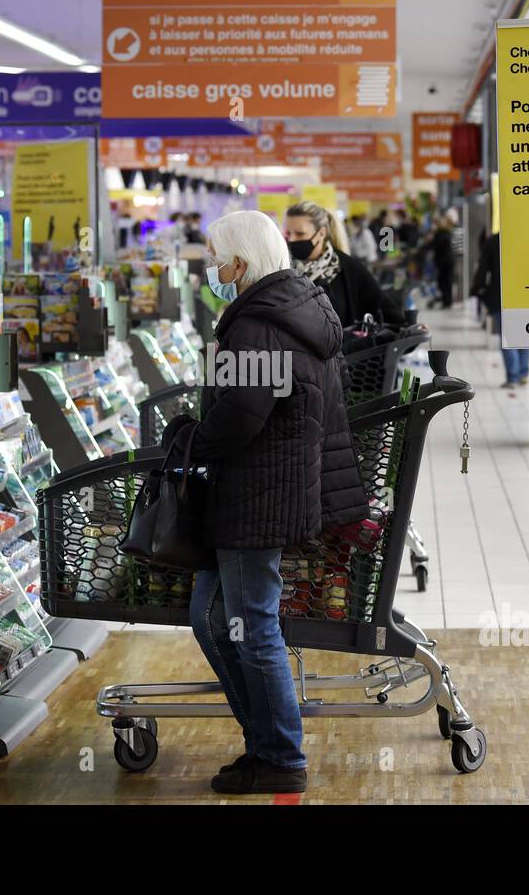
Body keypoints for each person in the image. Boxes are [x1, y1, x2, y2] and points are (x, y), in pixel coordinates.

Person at [165, 210, 369, 795]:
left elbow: (240, 416)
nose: (210, 269)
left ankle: (279, 754)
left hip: (256, 495)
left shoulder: (256, 324)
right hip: (276, 487)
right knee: (213, 617)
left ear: (241, 263)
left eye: (214, 258)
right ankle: (265, 740)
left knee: (251, 625)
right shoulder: (298, 308)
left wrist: (186, 440)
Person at [284, 200, 404, 327]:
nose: (292, 239)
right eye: (289, 234)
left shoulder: (349, 269)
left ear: (321, 233)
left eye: (300, 233)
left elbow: (389, 314)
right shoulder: (285, 270)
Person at [471, 232, 529, 388]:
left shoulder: (492, 241)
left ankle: (513, 377)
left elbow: (482, 270)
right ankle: (523, 374)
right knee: (524, 334)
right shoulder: (525, 238)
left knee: (508, 337)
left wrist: (477, 290)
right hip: (525, 294)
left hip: (500, 296)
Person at [424, 214, 456, 308]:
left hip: (444, 262)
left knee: (443, 282)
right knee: (446, 282)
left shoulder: (440, 234)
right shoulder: (446, 233)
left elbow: (433, 245)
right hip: (447, 261)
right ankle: (447, 301)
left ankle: (447, 302)